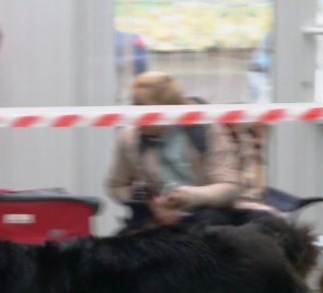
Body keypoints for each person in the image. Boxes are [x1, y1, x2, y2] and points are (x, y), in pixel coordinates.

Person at [105, 72, 271, 233]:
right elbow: (117, 185)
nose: (136, 116)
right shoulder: (129, 138)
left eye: (143, 107)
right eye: (134, 106)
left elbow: (229, 188)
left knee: (221, 224)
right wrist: (149, 202)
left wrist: (188, 196)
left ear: (169, 109)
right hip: (156, 217)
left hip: (209, 213)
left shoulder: (206, 128)